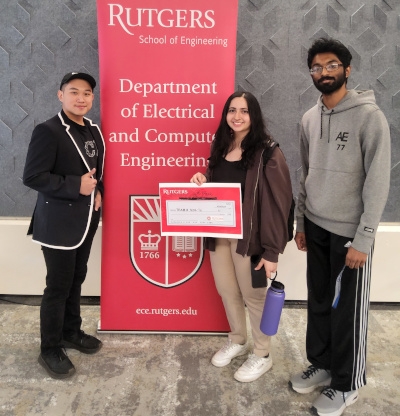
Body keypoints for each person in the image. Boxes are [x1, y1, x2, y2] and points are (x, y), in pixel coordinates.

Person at [289, 38, 391, 416]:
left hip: (351, 232)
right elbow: (306, 173)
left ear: (347, 70)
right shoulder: (308, 119)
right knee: (318, 301)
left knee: (347, 309)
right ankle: (323, 364)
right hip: (315, 225)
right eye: (316, 68)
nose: (323, 73)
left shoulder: (369, 117)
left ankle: (347, 384)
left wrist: (363, 239)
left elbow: (378, 182)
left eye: (331, 65)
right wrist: (301, 221)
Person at [190, 91, 293, 382]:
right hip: (219, 233)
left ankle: (262, 354)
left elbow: (280, 203)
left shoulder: (268, 152)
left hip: (251, 238)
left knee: (254, 296)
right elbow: (219, 186)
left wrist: (272, 251)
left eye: (244, 111)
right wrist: (203, 180)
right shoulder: (220, 145)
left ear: (254, 115)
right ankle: (237, 339)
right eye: (232, 110)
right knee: (227, 290)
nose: (237, 116)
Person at [23, 72, 106, 379]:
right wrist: (77, 186)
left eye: (86, 93)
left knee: (76, 279)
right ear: (61, 95)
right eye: (74, 92)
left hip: (86, 221)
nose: (81, 98)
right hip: (58, 223)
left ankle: (71, 331)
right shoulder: (48, 131)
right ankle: (50, 348)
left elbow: (98, 173)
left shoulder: (94, 131)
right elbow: (33, 177)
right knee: (57, 286)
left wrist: (98, 192)